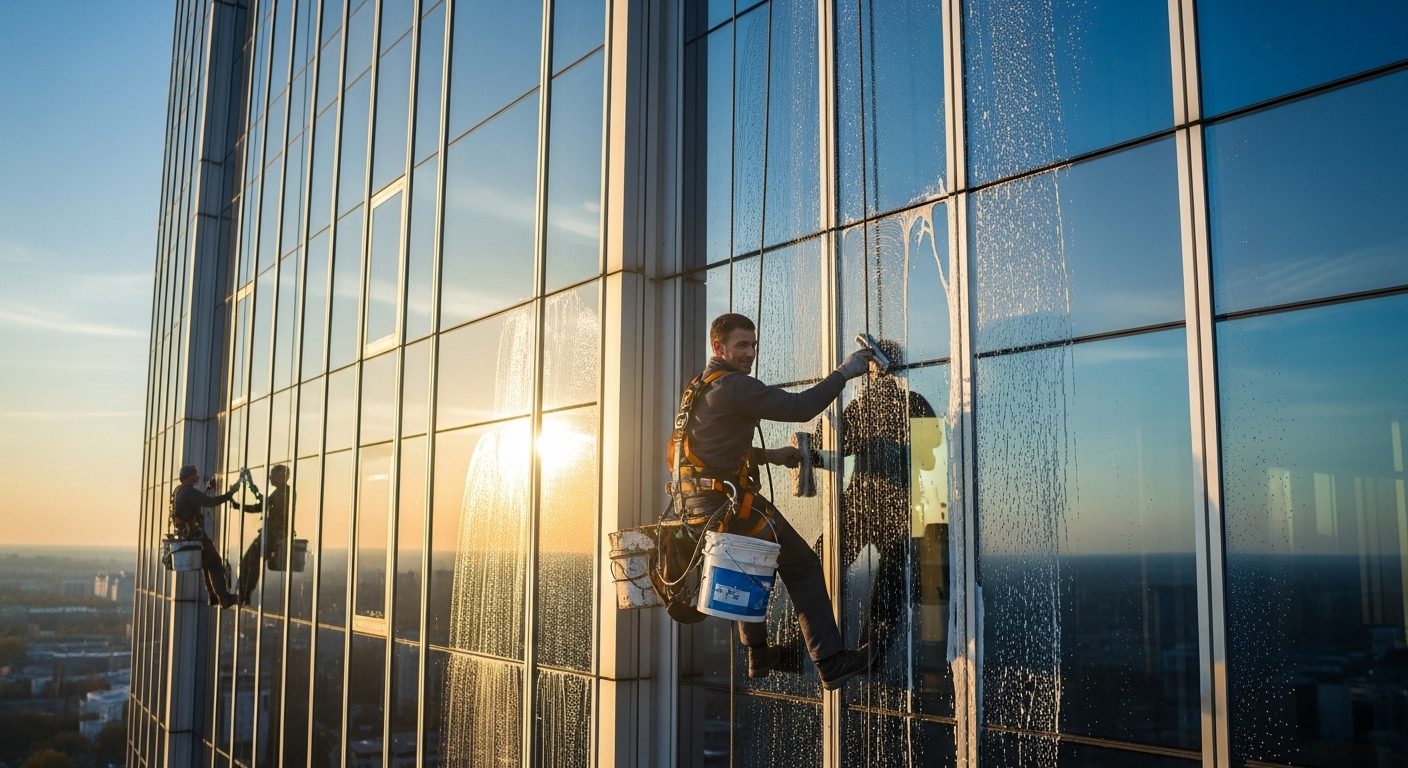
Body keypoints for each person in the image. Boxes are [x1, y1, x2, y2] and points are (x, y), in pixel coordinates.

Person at [670, 312, 876, 690]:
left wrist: (770, 456)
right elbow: (799, 408)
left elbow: (710, 448)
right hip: (727, 502)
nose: (750, 353)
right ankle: (831, 661)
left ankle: (759, 652)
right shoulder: (733, 386)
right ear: (719, 347)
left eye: (753, 345)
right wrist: (844, 372)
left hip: (697, 502)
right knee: (802, 567)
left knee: (747, 566)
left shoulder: (699, 386)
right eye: (741, 345)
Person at [839, 342, 937, 668]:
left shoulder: (865, 405)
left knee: (821, 565)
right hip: (897, 508)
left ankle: (805, 642)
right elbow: (930, 458)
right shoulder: (914, 404)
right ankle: (871, 653)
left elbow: (839, 446)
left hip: (865, 504)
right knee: (890, 583)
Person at [169, 464, 239, 608]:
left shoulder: (179, 490)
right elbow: (210, 502)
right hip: (195, 536)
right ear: (189, 476)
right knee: (214, 562)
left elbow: (197, 500)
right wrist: (230, 494)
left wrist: (207, 490)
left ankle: (213, 596)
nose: (198, 477)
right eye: (195, 474)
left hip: (188, 535)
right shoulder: (188, 491)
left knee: (207, 564)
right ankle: (223, 598)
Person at [235, 464, 293, 605]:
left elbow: (266, 506)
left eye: (273, 475)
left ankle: (244, 594)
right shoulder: (281, 492)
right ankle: (244, 593)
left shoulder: (284, 493)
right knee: (249, 562)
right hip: (271, 534)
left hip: (273, 535)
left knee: (250, 562)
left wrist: (255, 498)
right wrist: (241, 506)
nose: (270, 478)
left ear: (281, 476)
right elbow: (264, 506)